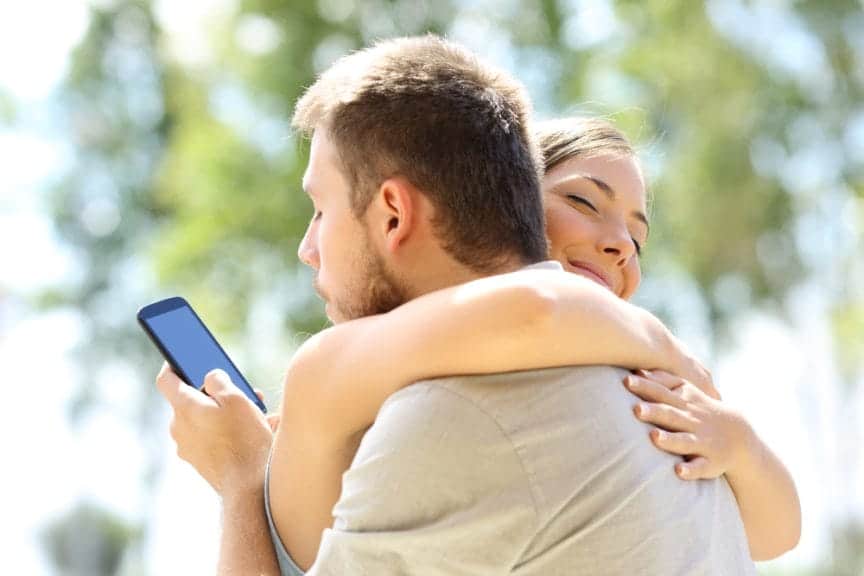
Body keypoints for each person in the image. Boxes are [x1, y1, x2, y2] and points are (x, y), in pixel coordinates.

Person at [154, 36, 780, 575]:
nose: (307, 248)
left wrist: (240, 485)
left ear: (394, 213)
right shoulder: (649, 405)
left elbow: (537, 305)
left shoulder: (459, 414)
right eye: (583, 203)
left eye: (321, 210)